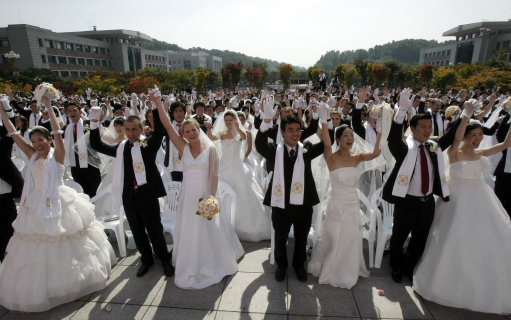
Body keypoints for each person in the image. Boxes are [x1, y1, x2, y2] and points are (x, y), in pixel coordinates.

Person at [0, 95, 114, 312]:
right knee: (36, 245)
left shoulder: (58, 154)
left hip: (60, 201)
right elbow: (13, 133)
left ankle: (71, 283)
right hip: (35, 203)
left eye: (40, 141)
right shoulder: (32, 155)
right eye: (33, 142)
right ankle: (43, 287)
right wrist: (3, 113)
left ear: (49, 141)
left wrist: (49, 107)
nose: (37, 145)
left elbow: (56, 131)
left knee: (66, 241)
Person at [413, 101, 511, 314]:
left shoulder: (481, 153)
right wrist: (466, 115)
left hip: (480, 198)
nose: (477, 139)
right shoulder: (454, 153)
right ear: (465, 135)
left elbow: (504, 145)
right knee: (452, 236)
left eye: (479, 135)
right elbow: (455, 138)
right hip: (456, 199)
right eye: (473, 135)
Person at [151, 89, 244, 290]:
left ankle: (211, 262)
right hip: (187, 195)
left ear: (198, 130)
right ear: (182, 134)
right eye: (186, 132)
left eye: (193, 130)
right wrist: (158, 103)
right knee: (189, 230)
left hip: (205, 194)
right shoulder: (182, 147)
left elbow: (214, 175)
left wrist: (209, 199)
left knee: (207, 229)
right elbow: (167, 125)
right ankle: (189, 262)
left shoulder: (210, 149)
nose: (191, 134)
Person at [89, 102, 174, 278]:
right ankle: (146, 259)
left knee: (155, 229)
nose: (131, 133)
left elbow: (159, 132)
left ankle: (164, 259)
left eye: (135, 129)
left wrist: (156, 107)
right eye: (127, 129)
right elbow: (97, 144)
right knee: (136, 229)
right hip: (129, 195)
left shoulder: (147, 145)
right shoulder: (122, 148)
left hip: (148, 194)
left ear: (141, 129)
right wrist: (94, 122)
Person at [308, 103, 383, 288]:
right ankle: (329, 267)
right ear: (339, 139)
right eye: (346, 135)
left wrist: (381, 128)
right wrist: (325, 121)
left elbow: (376, 153)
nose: (350, 138)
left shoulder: (357, 157)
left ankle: (349, 268)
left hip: (352, 204)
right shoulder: (331, 157)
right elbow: (326, 143)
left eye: (351, 135)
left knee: (351, 238)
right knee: (333, 237)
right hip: (336, 204)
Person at [383, 89, 451, 283]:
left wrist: (464, 117)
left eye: (430, 126)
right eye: (423, 126)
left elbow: (449, 138)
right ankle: (395, 265)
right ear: (413, 129)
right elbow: (393, 141)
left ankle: (409, 266)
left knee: (420, 238)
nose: (428, 130)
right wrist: (401, 113)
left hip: (427, 202)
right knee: (399, 236)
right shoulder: (406, 149)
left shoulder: (433, 148)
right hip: (407, 202)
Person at [255, 97, 324, 282]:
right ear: (283, 132)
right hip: (281, 203)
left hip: (303, 203)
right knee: (280, 238)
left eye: (298, 130)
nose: (295, 133)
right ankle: (282, 266)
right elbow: (259, 144)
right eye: (290, 130)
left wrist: (324, 122)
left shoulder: (306, 150)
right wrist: (266, 121)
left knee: (301, 239)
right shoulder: (274, 150)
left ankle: (299, 265)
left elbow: (325, 145)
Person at [205, 110, 270, 242]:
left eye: (230, 120)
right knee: (220, 192)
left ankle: (244, 227)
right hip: (224, 166)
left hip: (237, 166)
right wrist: (208, 128)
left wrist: (237, 126)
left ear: (235, 120)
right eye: (226, 120)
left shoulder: (243, 133)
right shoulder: (222, 134)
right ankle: (222, 225)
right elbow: (211, 138)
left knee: (243, 193)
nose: (228, 122)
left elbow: (244, 138)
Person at [0, 97, 24, 262]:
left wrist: (5, 108)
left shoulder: (3, 144)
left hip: (4, 198)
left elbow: (11, 131)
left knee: (10, 238)